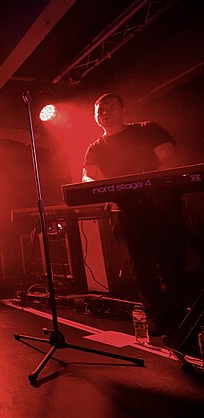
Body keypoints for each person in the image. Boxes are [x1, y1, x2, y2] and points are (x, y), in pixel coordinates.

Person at [82, 93, 188, 339]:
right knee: (139, 269)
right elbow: (88, 176)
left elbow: (169, 159)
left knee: (171, 264)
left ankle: (176, 320)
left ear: (122, 110)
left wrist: (145, 183)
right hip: (123, 211)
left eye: (110, 108)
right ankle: (159, 319)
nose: (105, 113)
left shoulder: (147, 129)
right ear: (95, 117)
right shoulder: (95, 148)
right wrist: (90, 184)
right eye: (100, 110)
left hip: (160, 206)